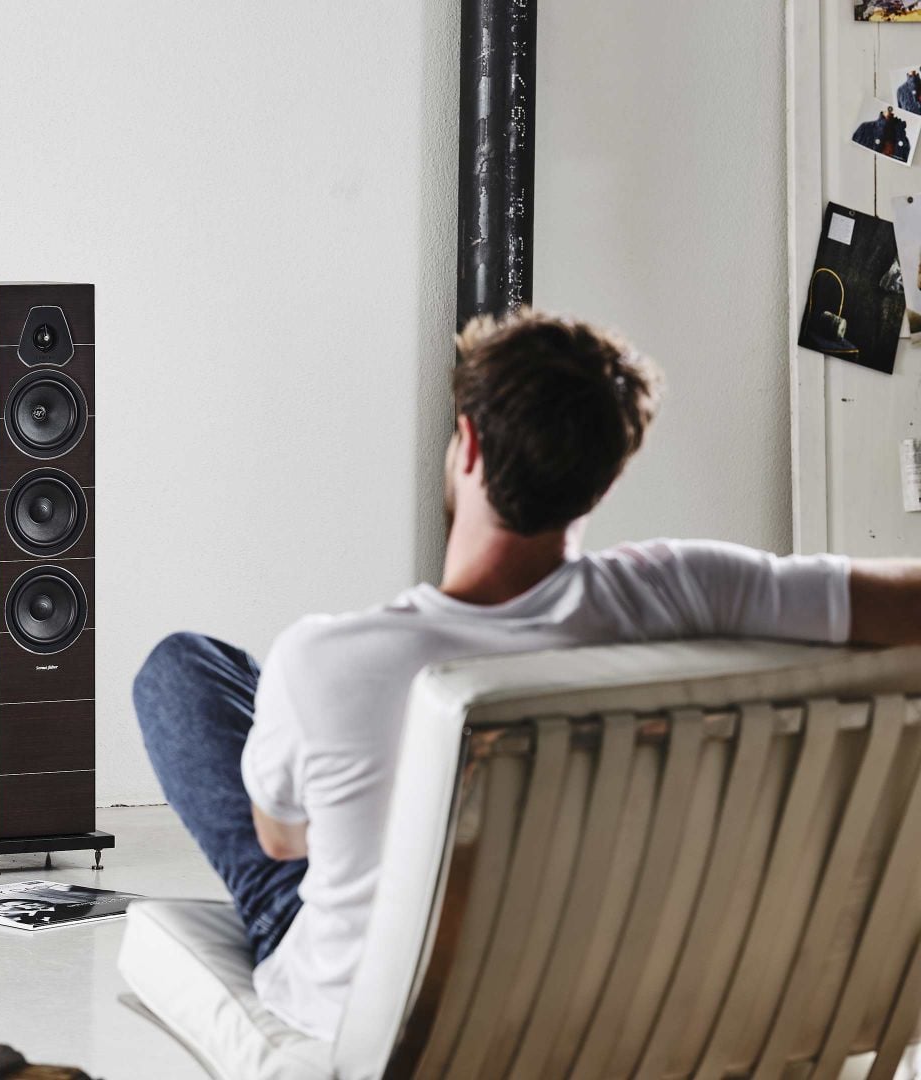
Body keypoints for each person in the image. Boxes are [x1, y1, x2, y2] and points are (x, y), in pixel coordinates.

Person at [132, 309, 921, 1043]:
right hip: (580, 981)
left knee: (183, 671)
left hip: (362, 1011)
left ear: (468, 445)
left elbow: (280, 840)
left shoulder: (328, 658)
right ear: (602, 479)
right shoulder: (687, 589)